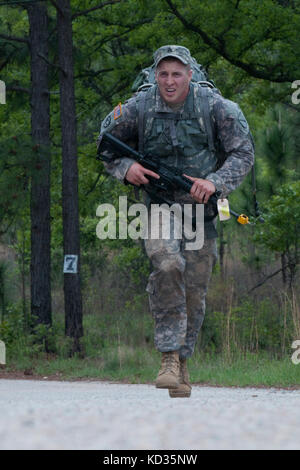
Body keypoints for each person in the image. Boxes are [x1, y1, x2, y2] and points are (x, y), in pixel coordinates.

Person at [98, 45, 254, 398]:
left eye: (177, 74)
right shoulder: (138, 107)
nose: (170, 81)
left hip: (201, 211)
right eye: (163, 74)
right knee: (167, 265)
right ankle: (168, 358)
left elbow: (243, 152)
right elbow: (105, 145)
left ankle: (183, 362)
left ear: (190, 74)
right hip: (157, 207)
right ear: (155, 75)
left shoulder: (216, 107)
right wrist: (127, 169)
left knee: (196, 292)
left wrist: (215, 182)